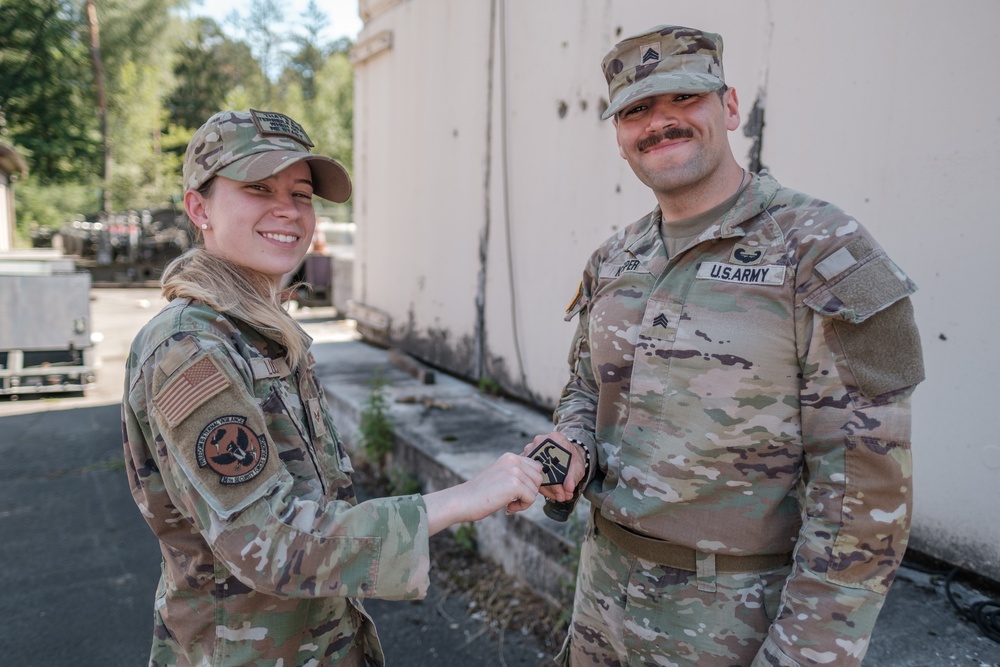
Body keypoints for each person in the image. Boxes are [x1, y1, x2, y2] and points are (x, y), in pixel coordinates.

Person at [525, 25, 924, 667]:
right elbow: (585, 387)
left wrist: (804, 655)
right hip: (602, 596)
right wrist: (574, 444)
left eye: (684, 98)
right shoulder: (616, 256)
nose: (660, 122)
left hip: (736, 618)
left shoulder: (820, 251)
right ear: (621, 136)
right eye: (636, 111)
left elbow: (862, 498)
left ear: (730, 106)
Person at [122, 109, 543, 667]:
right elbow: (268, 541)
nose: (288, 211)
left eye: (301, 193)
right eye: (257, 188)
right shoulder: (191, 349)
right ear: (199, 207)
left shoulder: (259, 329)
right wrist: (460, 499)